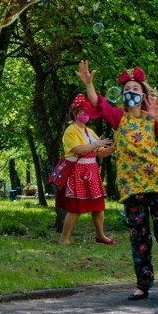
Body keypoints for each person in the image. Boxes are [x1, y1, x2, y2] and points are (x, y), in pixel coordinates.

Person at [77, 60, 158, 301]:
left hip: (157, 183)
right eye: (127, 89)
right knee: (138, 237)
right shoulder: (118, 118)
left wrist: (157, 116)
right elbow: (98, 103)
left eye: (136, 89)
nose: (130, 92)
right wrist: (89, 84)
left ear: (145, 94)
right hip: (131, 186)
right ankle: (143, 284)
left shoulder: (152, 118)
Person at [57, 94, 115, 245]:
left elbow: (101, 152)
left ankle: (100, 235)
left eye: (87, 111)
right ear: (75, 113)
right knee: (75, 207)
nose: (85, 114)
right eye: (82, 111)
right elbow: (78, 150)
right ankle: (64, 238)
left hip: (92, 171)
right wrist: (96, 145)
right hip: (78, 171)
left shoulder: (90, 132)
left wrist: (114, 147)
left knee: (98, 206)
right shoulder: (71, 131)